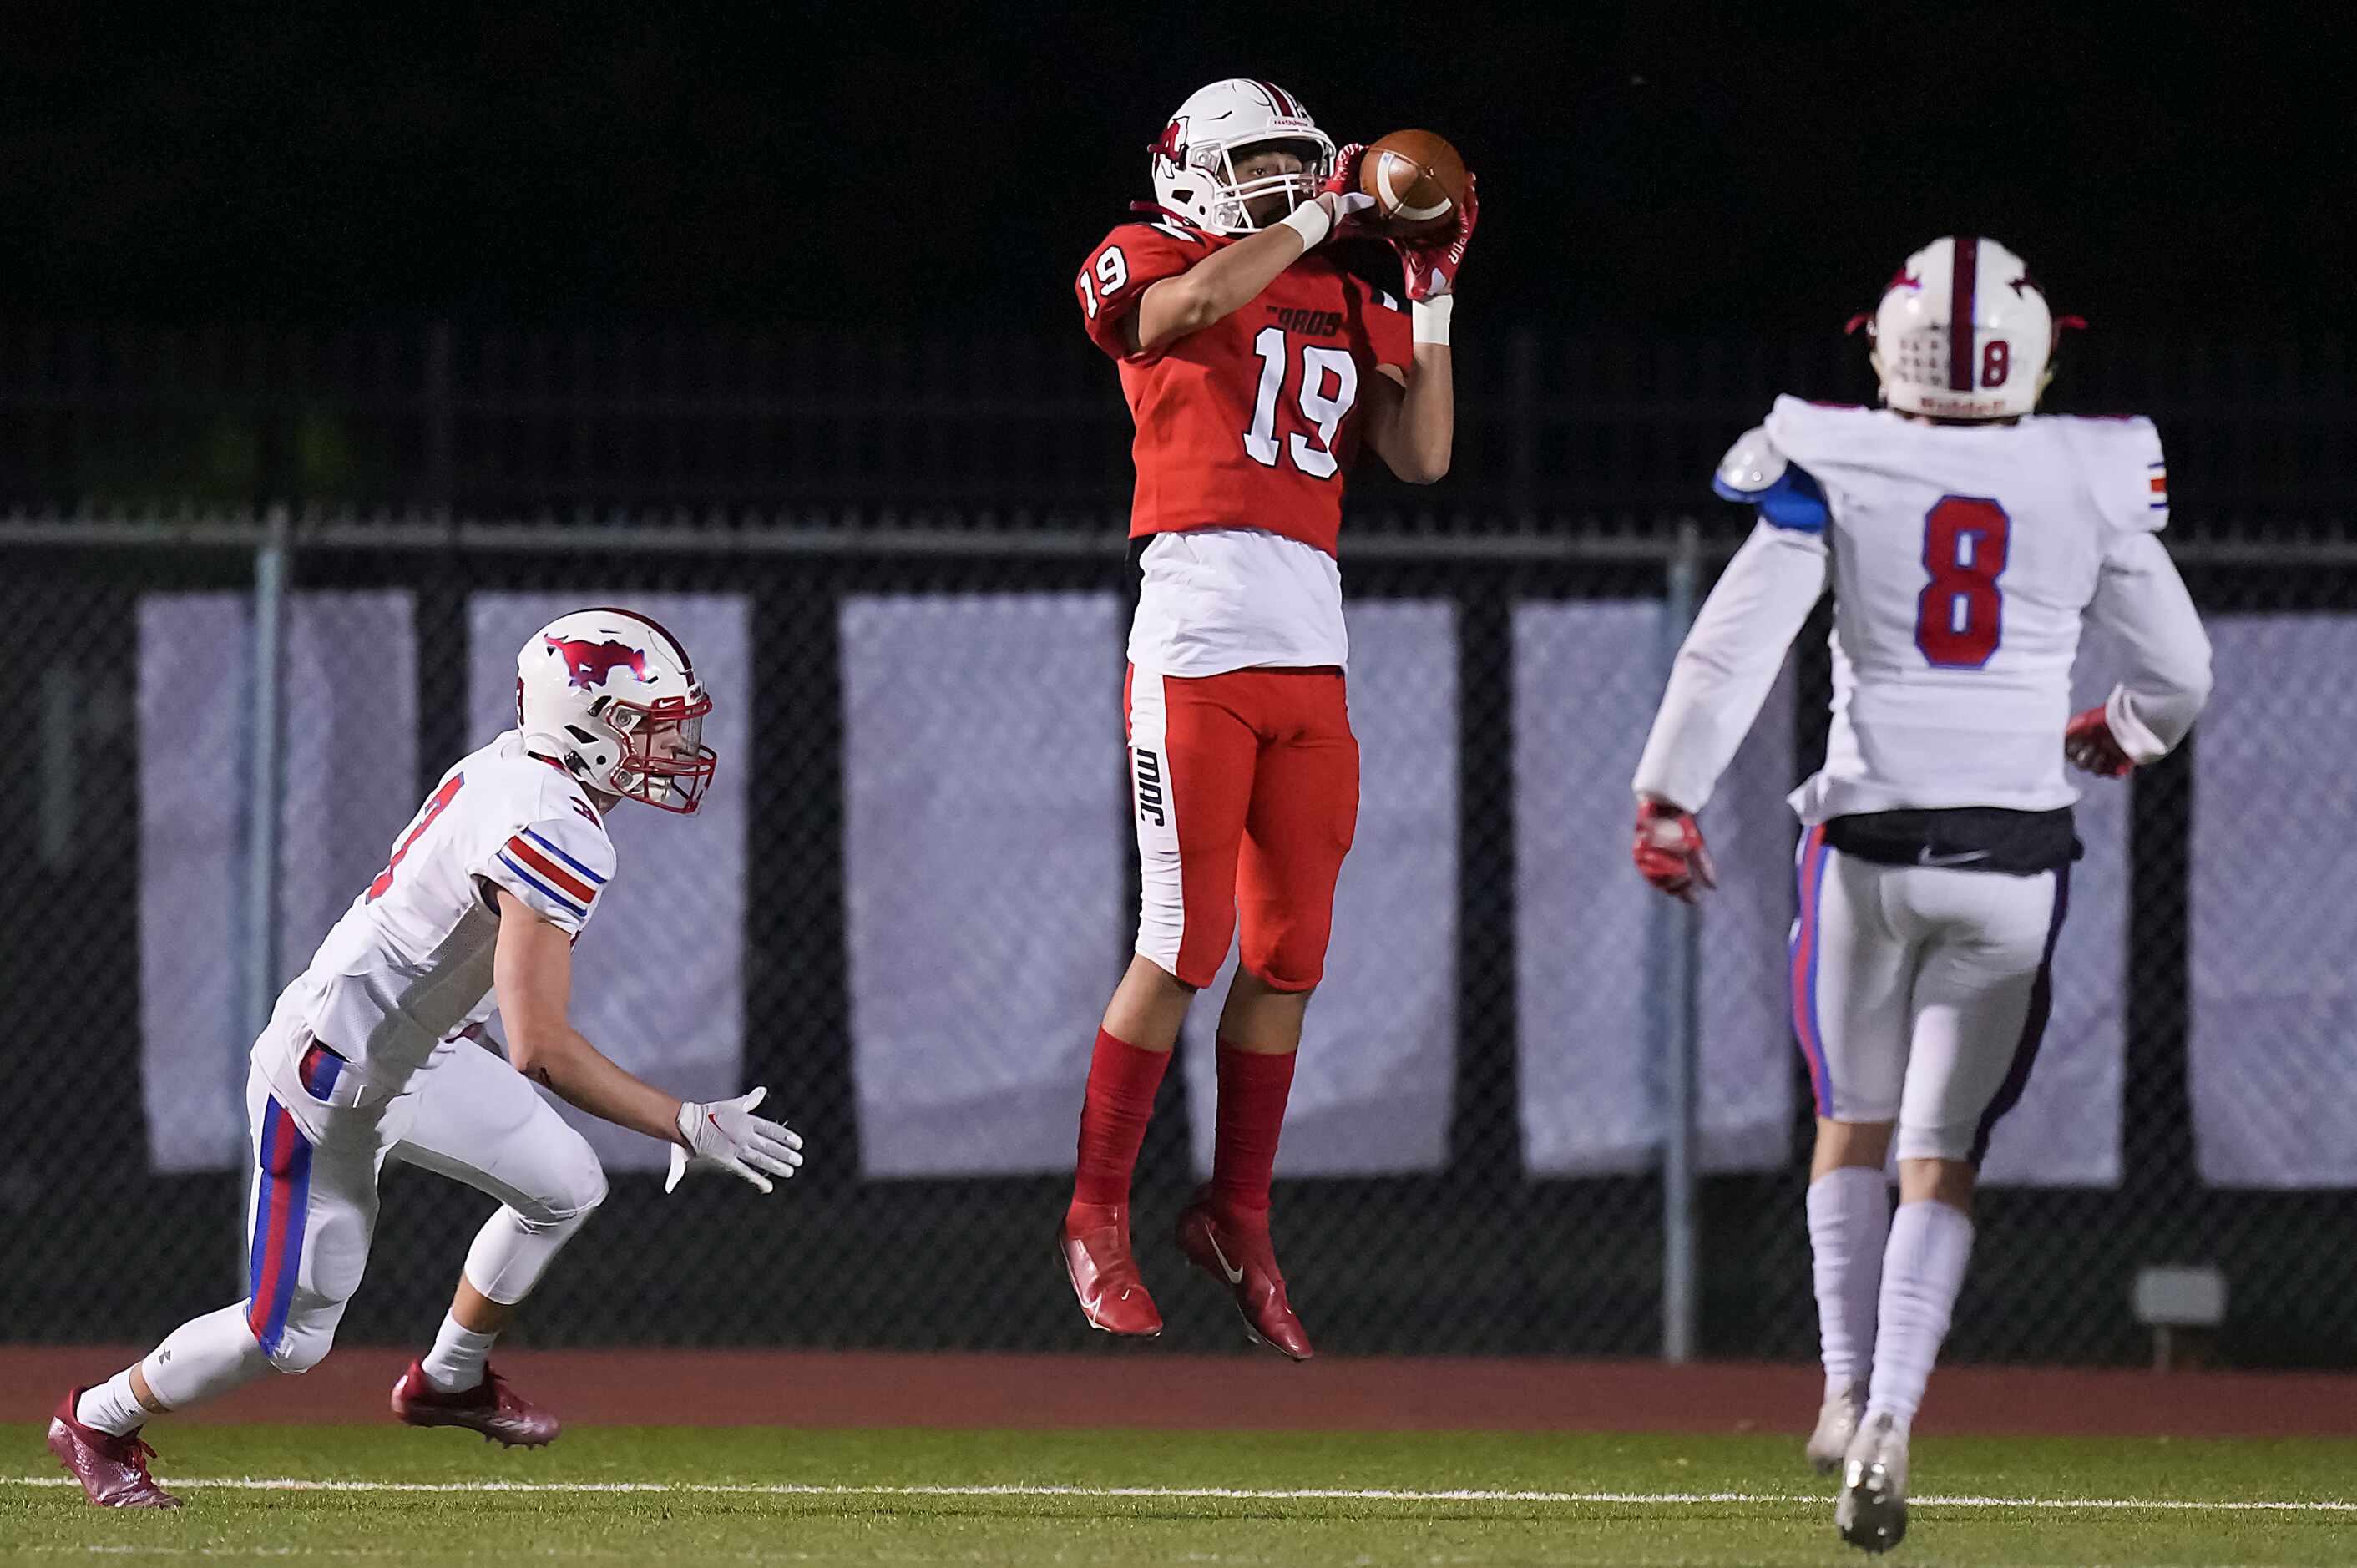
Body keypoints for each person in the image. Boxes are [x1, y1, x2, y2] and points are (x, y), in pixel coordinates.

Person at [1628, 238, 2213, 1553]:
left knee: (1847, 1122)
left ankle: (1838, 1392)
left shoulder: (1832, 457)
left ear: (1880, 344)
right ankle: (1893, 1411)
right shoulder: (2086, 469)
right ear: (2034, 352)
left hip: (1865, 842)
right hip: (2011, 855)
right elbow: (2176, 668)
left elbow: (1738, 639)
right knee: (1935, 1156)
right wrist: (2117, 729)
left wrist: (1666, 790)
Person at [48, 608, 805, 1508]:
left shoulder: (521, 770)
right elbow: (543, 1051)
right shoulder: (553, 823)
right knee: (284, 1338)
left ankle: (450, 1378)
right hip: (332, 1081)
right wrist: (682, 1120)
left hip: (421, 1056)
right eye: (647, 723)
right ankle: (96, 1420)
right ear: (585, 722)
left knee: (565, 1183)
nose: (671, 744)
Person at [1057, 78, 1471, 1359]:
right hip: (1194, 642)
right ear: (1187, 170)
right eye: (1255, 168)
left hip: (1311, 650)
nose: (1279, 186)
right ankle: (1095, 1213)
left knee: (1287, 953)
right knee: (1184, 939)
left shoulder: (1343, 287)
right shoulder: (1145, 253)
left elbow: (1422, 457)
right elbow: (1175, 310)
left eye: (1295, 167)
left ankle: (1237, 1212)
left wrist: (1431, 290)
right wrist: (1321, 219)